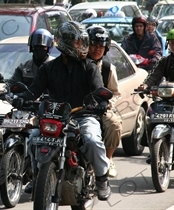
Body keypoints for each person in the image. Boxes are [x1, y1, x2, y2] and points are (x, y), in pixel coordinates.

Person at [12, 21, 111, 201]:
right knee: (34, 138)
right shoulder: (48, 68)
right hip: (54, 117)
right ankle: (37, 175)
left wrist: (101, 101)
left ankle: (102, 179)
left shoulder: (89, 67)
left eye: (83, 42)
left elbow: (99, 89)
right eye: (77, 42)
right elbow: (34, 90)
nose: (82, 46)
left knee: (92, 140)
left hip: (83, 116)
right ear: (66, 42)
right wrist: (22, 98)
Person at [0, 28, 54, 194]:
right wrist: (3, 91)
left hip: (45, 112)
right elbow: (12, 83)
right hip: (24, 109)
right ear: (31, 48)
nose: (39, 50)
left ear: (49, 48)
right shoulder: (24, 67)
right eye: (36, 47)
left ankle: (40, 174)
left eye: (43, 47)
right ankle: (11, 160)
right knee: (7, 125)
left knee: (40, 140)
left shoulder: (53, 66)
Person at [137, 28, 174, 163]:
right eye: (172, 43)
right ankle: (154, 150)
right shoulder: (165, 61)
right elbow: (155, 74)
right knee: (151, 115)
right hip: (168, 100)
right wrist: (145, 86)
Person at [86, 26, 122, 178]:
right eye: (93, 45)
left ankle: (108, 159)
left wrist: (106, 104)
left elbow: (115, 92)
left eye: (101, 46)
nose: (97, 49)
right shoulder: (77, 64)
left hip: (101, 108)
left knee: (114, 123)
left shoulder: (108, 68)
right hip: (78, 107)